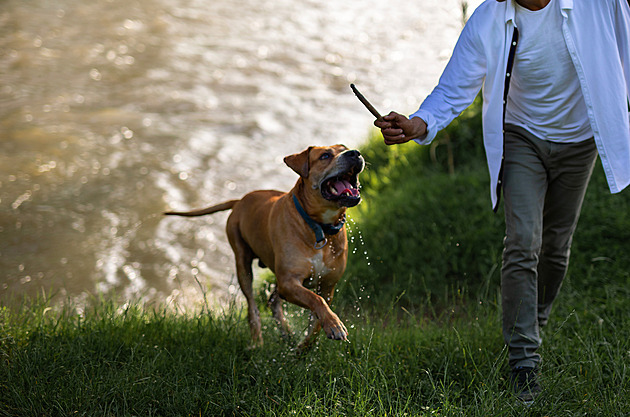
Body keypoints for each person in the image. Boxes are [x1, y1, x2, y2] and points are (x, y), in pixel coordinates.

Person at [374, 0, 630, 404]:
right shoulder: (489, 18)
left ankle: (534, 321)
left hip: (580, 141)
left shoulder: (598, 3)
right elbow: (454, 87)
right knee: (523, 241)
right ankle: (523, 359)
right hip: (521, 136)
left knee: (556, 249)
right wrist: (417, 123)